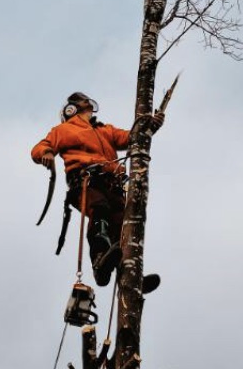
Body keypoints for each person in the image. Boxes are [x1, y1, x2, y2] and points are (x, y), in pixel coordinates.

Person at [31, 92, 164, 291]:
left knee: (123, 229)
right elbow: (41, 147)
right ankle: (99, 261)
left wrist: (150, 126)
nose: (89, 105)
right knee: (99, 210)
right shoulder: (63, 130)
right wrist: (47, 154)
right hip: (86, 180)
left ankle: (131, 278)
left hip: (113, 185)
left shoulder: (105, 130)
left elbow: (131, 137)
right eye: (84, 102)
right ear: (71, 109)